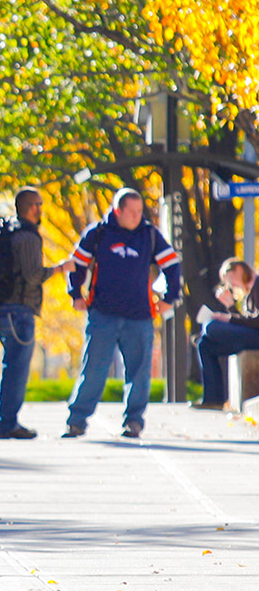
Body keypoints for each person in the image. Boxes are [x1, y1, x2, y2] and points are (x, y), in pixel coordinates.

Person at [63, 187, 181, 439]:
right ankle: (77, 421)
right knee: (94, 369)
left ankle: (134, 422)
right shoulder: (98, 233)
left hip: (140, 317)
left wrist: (169, 299)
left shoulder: (149, 235)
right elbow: (77, 263)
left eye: (140, 211)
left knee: (139, 372)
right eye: (132, 211)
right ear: (118, 210)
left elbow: (172, 264)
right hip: (102, 314)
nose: (137, 216)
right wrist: (75, 294)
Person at [0, 188, 73, 439]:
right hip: (18, 310)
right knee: (16, 367)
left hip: (3, 308)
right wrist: (60, 269)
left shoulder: (10, 232)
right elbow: (33, 275)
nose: (42, 209)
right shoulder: (28, 237)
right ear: (32, 207)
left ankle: (5, 420)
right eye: (39, 204)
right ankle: (7, 424)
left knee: (11, 365)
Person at [192, 257, 259, 409]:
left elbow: (255, 322)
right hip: (250, 336)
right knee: (204, 345)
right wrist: (230, 307)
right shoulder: (247, 295)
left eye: (231, 280)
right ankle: (213, 399)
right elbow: (245, 321)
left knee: (211, 327)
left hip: (256, 336)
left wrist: (226, 318)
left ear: (240, 270)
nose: (232, 285)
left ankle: (206, 332)